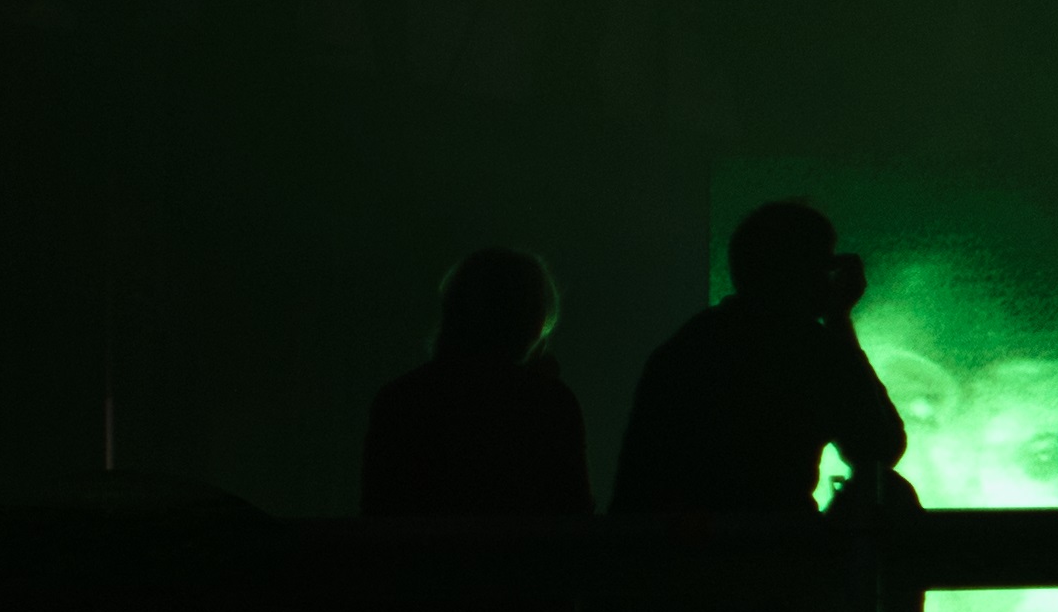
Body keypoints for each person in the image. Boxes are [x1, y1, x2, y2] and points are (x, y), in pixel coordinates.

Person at [614, 204, 914, 521]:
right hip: (778, 550)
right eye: (823, 264)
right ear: (801, 271)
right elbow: (880, 447)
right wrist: (838, 320)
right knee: (889, 493)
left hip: (675, 551)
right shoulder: (807, 348)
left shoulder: (686, 346)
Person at [360, 249, 592, 522]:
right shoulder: (550, 403)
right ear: (533, 320)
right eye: (536, 308)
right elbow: (573, 511)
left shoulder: (400, 399)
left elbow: (378, 511)